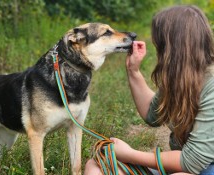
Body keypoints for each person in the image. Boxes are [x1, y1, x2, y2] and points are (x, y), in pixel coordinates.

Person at [84, 5, 214, 175]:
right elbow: (153, 115)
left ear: (173, 49)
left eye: (160, 46)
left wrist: (130, 155)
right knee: (96, 166)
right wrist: (133, 71)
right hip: (185, 165)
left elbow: (193, 162)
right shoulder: (180, 76)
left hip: (202, 167)